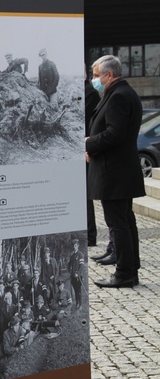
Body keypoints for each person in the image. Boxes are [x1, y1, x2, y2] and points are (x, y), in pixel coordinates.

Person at [85, 54, 145, 288]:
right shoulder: (120, 93)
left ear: (109, 75)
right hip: (119, 171)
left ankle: (124, 273)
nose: (94, 79)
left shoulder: (119, 96)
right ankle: (131, 267)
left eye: (97, 75)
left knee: (118, 223)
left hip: (115, 173)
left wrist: (89, 142)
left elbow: (114, 134)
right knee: (125, 221)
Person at [85, 66, 101, 246]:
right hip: (86, 147)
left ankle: (90, 235)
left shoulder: (90, 92)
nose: (94, 78)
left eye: (96, 75)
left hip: (87, 149)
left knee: (86, 196)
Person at [68, 239, 85, 308]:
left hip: (78, 276)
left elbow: (81, 266)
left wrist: (77, 273)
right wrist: (70, 272)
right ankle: (77, 303)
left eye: (75, 245)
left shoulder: (80, 254)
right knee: (75, 291)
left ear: (78, 246)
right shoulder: (72, 256)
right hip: (72, 277)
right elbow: (68, 265)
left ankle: (80, 304)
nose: (74, 247)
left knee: (79, 291)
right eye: (73, 245)